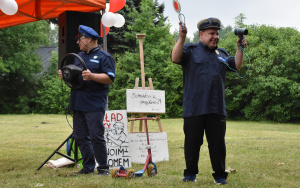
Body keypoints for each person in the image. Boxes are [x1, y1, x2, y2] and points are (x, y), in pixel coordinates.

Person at [171, 18, 247, 184]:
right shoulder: (190, 50)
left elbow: (237, 66)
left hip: (216, 108)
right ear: (201, 34)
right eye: (212, 33)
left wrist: (239, 48)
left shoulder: (222, 53)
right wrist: (182, 37)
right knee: (192, 144)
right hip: (194, 107)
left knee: (218, 145)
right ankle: (190, 175)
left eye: (217, 33)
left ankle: (220, 177)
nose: (216, 36)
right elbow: (175, 58)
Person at [58, 25, 115, 175]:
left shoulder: (105, 57)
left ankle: (103, 167)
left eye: (80, 39)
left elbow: (110, 78)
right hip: (78, 102)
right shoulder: (79, 57)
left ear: (89, 39)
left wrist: (93, 76)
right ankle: (88, 167)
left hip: (94, 104)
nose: (78, 42)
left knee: (96, 136)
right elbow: (75, 77)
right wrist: (65, 74)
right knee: (80, 136)